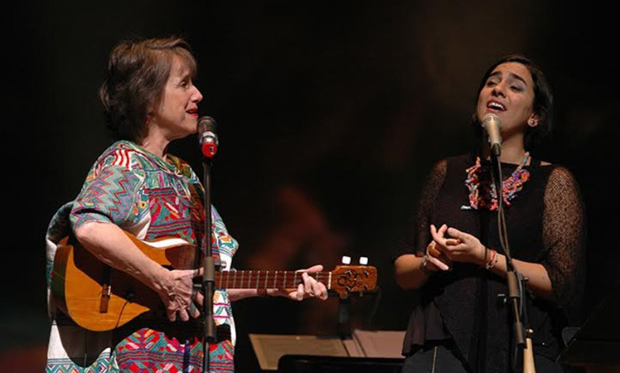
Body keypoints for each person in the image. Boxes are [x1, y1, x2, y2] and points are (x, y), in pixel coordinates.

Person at [44, 36, 328, 373]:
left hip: (193, 353)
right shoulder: (125, 162)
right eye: (184, 84)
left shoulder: (185, 175)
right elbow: (90, 224)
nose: (198, 95)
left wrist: (280, 284)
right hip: (144, 354)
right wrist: (161, 280)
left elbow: (206, 280)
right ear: (147, 100)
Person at [393, 55, 586, 372]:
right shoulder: (446, 172)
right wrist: (429, 260)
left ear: (535, 116)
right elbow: (403, 270)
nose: (498, 90)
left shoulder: (554, 181)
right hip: (442, 349)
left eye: (515, 86)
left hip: (524, 347)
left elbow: (561, 283)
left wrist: (485, 257)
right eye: (491, 82)